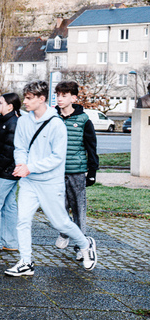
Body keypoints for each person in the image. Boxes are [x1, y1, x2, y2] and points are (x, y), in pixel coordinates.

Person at [5, 81, 98, 277]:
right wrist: (21, 164)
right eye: (25, 97)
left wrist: (30, 167)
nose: (25, 102)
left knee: (61, 223)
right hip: (29, 182)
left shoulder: (57, 124)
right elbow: (20, 147)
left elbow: (57, 158)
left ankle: (85, 243)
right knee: (22, 221)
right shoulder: (23, 121)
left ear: (42, 99)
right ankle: (26, 261)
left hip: (49, 182)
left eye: (29, 98)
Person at [54, 81, 99, 257]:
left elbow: (91, 147)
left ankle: (82, 246)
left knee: (79, 210)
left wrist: (92, 172)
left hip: (76, 172)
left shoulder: (83, 120)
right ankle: (64, 233)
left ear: (73, 98)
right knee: (59, 208)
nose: (59, 99)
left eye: (64, 95)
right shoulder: (52, 117)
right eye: (57, 95)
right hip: (56, 173)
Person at [0, 92, 21, 254]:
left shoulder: (12, 123)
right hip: (9, 170)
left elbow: (8, 151)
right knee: (9, 205)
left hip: (7, 171)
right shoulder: (6, 121)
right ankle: (11, 241)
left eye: (0, 103)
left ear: (10, 106)